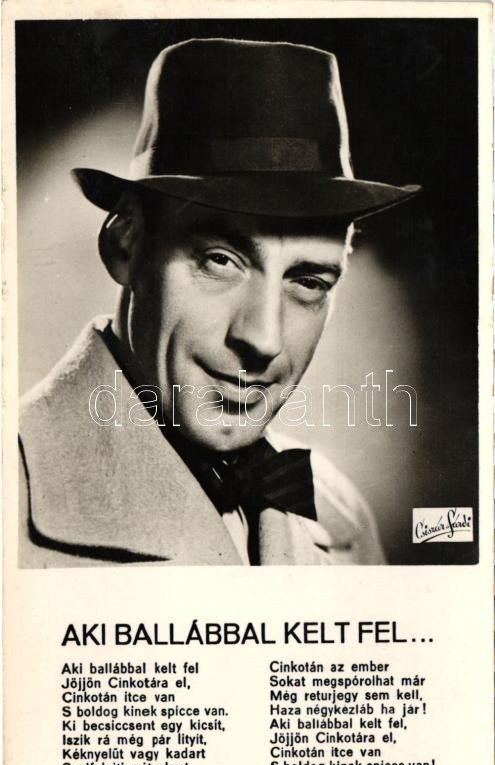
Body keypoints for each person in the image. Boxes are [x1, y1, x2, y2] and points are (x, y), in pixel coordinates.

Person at [18, 38, 420, 567]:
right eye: (220, 260)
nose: (264, 340)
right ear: (125, 245)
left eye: (308, 281)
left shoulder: (341, 517)